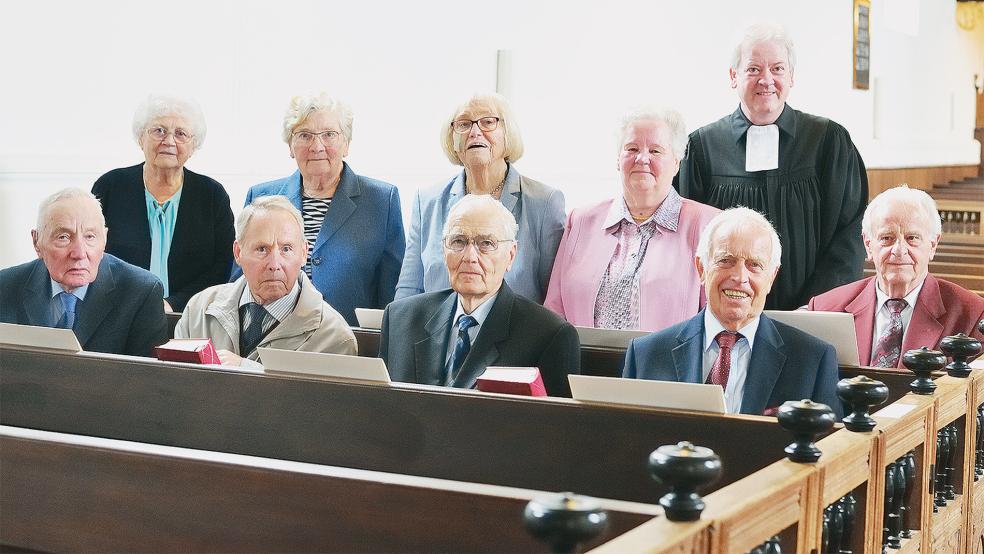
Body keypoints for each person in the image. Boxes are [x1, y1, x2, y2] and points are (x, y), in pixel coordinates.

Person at [676, 23, 867, 310]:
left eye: (777, 69)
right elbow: (688, 239)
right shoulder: (703, 147)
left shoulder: (827, 141)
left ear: (791, 77)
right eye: (753, 69)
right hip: (727, 313)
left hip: (811, 317)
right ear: (733, 76)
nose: (766, 79)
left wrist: (815, 308)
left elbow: (850, 233)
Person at [623, 207, 841, 416]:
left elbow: (833, 451)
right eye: (726, 261)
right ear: (702, 269)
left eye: (754, 265)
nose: (739, 277)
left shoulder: (813, 361)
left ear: (771, 278)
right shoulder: (646, 355)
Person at [380, 194, 580, 397]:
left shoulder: (548, 335)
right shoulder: (399, 319)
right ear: (443, 249)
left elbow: (554, 426)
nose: (470, 257)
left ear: (510, 255)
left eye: (486, 243)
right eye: (458, 241)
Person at [545, 108, 719, 331]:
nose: (642, 158)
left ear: (676, 163)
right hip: (582, 362)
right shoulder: (579, 221)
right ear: (618, 160)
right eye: (632, 148)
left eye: (655, 151)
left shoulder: (710, 226)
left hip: (667, 364)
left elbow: (716, 318)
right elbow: (554, 309)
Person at [240, 93, 404, 326]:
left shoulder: (381, 200)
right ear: (290, 146)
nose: (317, 146)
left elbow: (392, 291)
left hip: (349, 342)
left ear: (346, 144)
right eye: (305, 135)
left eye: (329, 135)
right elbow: (241, 279)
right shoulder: (261, 197)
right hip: (269, 337)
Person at [395, 92, 565, 304]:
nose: (475, 132)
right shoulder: (427, 201)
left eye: (488, 122)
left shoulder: (544, 202)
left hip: (516, 334)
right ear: (452, 139)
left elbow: (554, 300)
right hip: (438, 335)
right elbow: (408, 292)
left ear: (508, 132)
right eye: (464, 124)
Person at [808, 186, 984, 367]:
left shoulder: (973, 316)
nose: (899, 250)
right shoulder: (825, 309)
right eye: (887, 238)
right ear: (868, 245)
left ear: (933, 245)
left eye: (912, 238)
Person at [92, 94, 235, 313]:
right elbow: (92, 254)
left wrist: (173, 304)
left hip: (190, 315)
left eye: (180, 134)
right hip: (118, 310)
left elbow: (222, 267)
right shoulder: (110, 187)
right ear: (141, 138)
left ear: (194, 145)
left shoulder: (212, 195)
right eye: (159, 130)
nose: (169, 141)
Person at [175, 196, 356, 368]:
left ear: (303, 253)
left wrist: (247, 368)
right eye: (262, 249)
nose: (274, 264)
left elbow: (320, 400)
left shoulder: (334, 335)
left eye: (286, 249)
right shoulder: (199, 309)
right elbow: (175, 387)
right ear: (238, 252)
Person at [0, 188, 167, 356]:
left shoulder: (141, 291)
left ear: (105, 239)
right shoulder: (5, 286)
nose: (79, 253)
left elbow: (147, 378)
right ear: (37, 241)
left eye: (90, 237)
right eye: (63, 237)